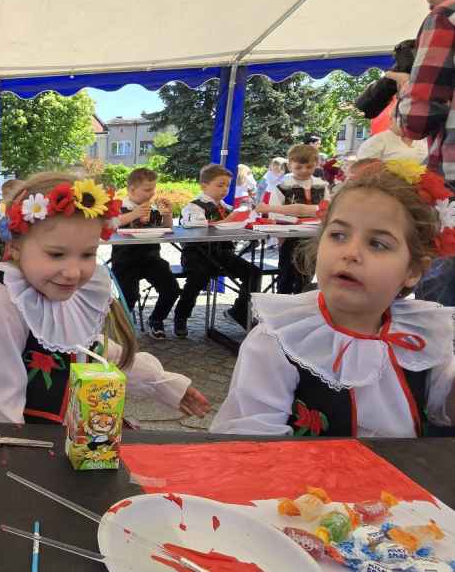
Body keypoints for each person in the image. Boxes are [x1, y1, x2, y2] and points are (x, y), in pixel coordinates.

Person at [211, 166, 455, 437]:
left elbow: (443, 409)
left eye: (378, 244)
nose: (351, 253)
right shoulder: (279, 339)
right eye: (338, 235)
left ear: (413, 271)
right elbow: (252, 439)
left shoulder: (421, 333)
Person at [0, 172, 210, 424]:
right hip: (26, 438)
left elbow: (91, 349)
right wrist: (17, 448)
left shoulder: (61, 286)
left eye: (88, 254)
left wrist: (164, 383)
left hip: (71, 432)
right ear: (16, 247)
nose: (73, 272)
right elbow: (2, 399)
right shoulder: (3, 296)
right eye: (56, 254)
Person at [392, 0, 455, 307]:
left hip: (452, 191)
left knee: (440, 318)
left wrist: (405, 88)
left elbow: (416, 120)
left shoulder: (446, 16)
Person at [173, 165, 262, 336]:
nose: (225, 189)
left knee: (253, 273)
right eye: (220, 185)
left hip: (222, 254)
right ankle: (181, 316)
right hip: (196, 254)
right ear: (204, 185)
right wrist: (228, 221)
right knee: (198, 277)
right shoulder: (194, 207)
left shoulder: (225, 207)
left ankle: (239, 310)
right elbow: (195, 227)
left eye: (227, 185)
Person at [110, 167, 179, 339]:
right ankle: (119, 328)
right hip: (125, 260)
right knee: (129, 295)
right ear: (132, 189)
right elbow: (110, 224)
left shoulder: (152, 209)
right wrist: (134, 214)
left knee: (171, 289)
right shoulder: (120, 207)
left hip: (151, 258)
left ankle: (156, 319)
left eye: (153, 189)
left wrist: (167, 214)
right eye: (147, 190)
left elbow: (167, 228)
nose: (151, 193)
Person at [257, 144, 330, 295]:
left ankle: (301, 303)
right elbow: (273, 213)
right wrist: (280, 235)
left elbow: (327, 208)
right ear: (290, 165)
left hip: (313, 237)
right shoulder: (282, 186)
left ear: (316, 164)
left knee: (307, 275)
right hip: (290, 237)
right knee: (286, 275)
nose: (304, 171)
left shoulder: (321, 186)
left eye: (309, 167)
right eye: (299, 167)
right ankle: (282, 303)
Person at [0, 178, 27, 267]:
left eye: (4, 194)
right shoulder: (15, 210)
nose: (3, 198)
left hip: (11, 254)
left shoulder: (16, 212)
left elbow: (6, 236)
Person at [357, 107, 429, 162]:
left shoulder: (422, 140)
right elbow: (363, 172)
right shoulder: (376, 141)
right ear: (392, 118)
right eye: (404, 118)